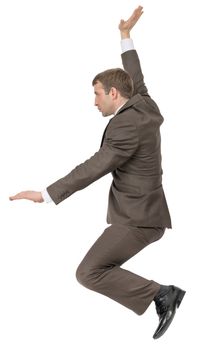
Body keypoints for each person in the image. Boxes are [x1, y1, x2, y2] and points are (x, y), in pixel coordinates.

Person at [9, 5, 185, 339]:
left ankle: (162, 294)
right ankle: (160, 293)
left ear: (114, 93)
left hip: (139, 219)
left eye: (97, 94)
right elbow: (138, 78)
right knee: (92, 270)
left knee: (89, 272)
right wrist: (125, 37)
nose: (94, 102)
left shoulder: (126, 126)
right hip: (147, 213)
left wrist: (46, 194)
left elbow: (94, 167)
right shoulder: (143, 104)